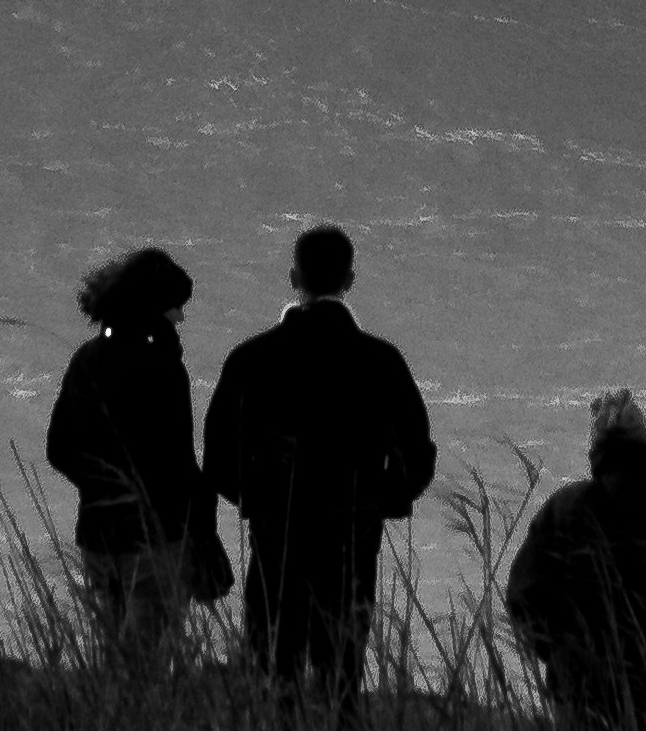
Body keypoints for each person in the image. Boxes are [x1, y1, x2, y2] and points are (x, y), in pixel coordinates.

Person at [201, 226, 436, 697]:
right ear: (350, 279)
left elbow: (218, 455)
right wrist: (380, 502)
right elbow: (417, 452)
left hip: (276, 535)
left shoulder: (252, 358)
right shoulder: (380, 360)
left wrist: (256, 498)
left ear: (293, 277)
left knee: (274, 664)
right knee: (342, 669)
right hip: (352, 537)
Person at [504, 392, 646, 731]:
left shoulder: (565, 508)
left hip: (582, 693)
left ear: (596, 451)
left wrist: (562, 655)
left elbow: (523, 595)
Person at [45, 245, 224, 636]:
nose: (181, 315)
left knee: (113, 655)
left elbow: (58, 448)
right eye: (176, 306)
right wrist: (202, 530)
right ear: (154, 308)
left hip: (97, 533)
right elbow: (176, 460)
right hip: (156, 538)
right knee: (146, 660)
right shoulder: (163, 367)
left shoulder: (86, 358)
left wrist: (102, 486)